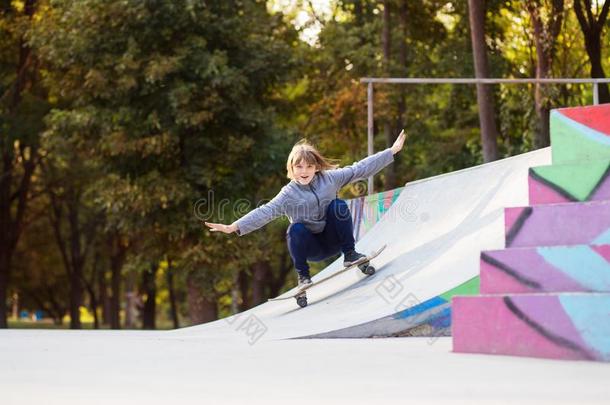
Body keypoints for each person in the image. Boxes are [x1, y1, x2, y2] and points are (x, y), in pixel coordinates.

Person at [205, 130, 407, 288]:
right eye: (299, 167)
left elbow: (359, 169)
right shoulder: (288, 194)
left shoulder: (330, 178)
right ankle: (303, 276)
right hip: (312, 248)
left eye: (309, 167)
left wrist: (391, 151)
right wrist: (235, 227)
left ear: (317, 167)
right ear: (291, 169)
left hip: (334, 239)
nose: (304, 172)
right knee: (295, 229)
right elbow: (265, 211)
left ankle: (350, 254)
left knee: (338, 205)